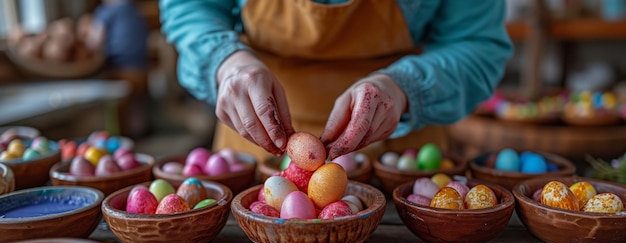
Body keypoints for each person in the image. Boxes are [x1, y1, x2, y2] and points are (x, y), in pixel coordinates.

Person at [159, 0, 513, 161]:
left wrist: (404, 86)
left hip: (405, 164)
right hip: (257, 153)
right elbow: (190, 7)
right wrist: (227, 62)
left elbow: (477, 43)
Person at [86, 0, 150, 138]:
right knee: (136, 105)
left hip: (120, 70)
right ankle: (140, 129)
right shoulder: (134, 9)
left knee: (110, 95)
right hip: (143, 68)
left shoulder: (105, 12)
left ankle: (121, 134)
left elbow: (94, 43)